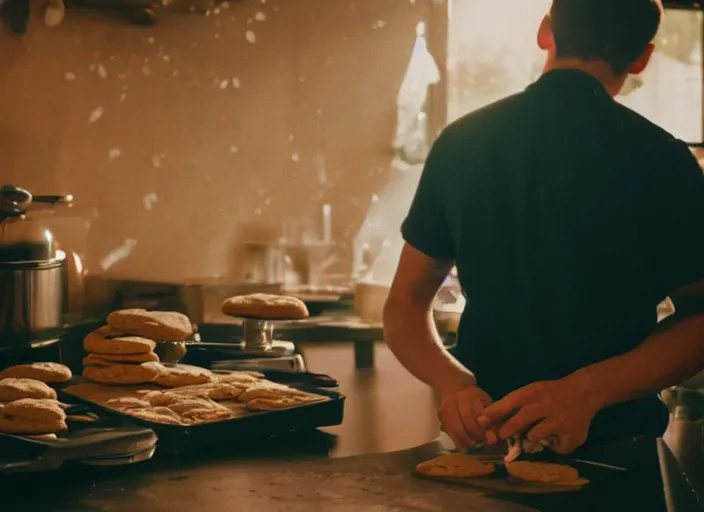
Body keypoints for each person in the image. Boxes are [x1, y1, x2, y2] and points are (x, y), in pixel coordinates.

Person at [383, 0, 704, 456]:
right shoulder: (664, 160)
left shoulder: (463, 143)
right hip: (618, 446)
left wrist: (455, 385)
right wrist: (585, 393)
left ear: (545, 32)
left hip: (486, 435)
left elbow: (403, 306)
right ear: (641, 57)